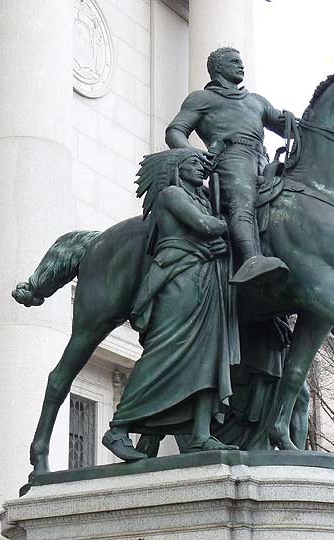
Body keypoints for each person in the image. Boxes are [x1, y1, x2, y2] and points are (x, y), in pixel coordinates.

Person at [102, 149, 241, 461]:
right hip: (178, 278)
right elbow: (205, 226)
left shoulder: (203, 198)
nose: (201, 169)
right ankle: (119, 428)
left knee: (210, 355)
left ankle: (202, 434)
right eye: (194, 164)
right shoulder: (172, 194)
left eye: (202, 165)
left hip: (207, 280)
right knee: (162, 352)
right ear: (177, 169)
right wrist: (234, 218)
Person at [166, 47, 291, 287]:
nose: (241, 65)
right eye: (234, 61)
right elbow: (175, 131)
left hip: (261, 159)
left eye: (241, 61)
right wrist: (195, 155)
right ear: (218, 68)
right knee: (241, 201)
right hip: (230, 157)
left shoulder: (256, 101)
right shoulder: (201, 99)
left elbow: (280, 123)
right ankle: (250, 260)